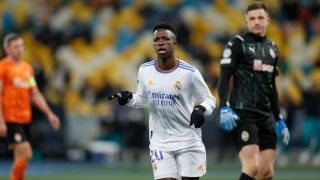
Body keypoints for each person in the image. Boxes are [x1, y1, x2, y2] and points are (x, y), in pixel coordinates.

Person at [109, 22, 216, 180]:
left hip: (188, 140)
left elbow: (209, 98)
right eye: (157, 39)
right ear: (153, 44)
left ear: (174, 44)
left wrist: (201, 109)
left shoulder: (190, 73)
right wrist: (130, 98)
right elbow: (144, 100)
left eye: (165, 38)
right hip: (160, 142)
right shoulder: (144, 70)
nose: (160, 42)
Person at [217, 2, 290, 180]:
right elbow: (224, 76)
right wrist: (224, 106)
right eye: (252, 18)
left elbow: (271, 87)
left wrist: (279, 119)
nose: (256, 22)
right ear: (246, 21)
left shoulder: (273, 49)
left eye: (260, 18)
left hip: (266, 116)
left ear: (267, 20)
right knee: (252, 166)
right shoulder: (237, 44)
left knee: (266, 172)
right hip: (243, 113)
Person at [0, 33, 60, 180]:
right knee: (26, 153)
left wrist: (49, 113)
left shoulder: (27, 69)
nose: (19, 50)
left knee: (21, 156)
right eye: (15, 47)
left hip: (25, 118)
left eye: (21, 46)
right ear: (7, 49)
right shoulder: (3, 68)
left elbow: (35, 93)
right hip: (10, 117)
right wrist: (0, 120)